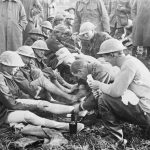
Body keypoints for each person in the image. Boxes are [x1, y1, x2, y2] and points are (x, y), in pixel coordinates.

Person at [85, 38, 150, 144]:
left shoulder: (128, 65)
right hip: (146, 108)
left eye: (105, 56)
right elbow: (119, 87)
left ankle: (115, 138)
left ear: (112, 54)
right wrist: (104, 88)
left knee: (104, 99)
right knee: (105, 95)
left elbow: (116, 92)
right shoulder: (130, 61)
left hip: (147, 112)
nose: (105, 60)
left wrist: (99, 85)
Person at [0, 50, 84, 132]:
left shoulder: (8, 75)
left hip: (10, 105)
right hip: (3, 113)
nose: (17, 69)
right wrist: (34, 106)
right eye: (14, 66)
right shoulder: (1, 79)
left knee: (43, 104)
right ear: (4, 65)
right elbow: (12, 104)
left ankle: (76, 109)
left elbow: (18, 94)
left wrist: (35, 103)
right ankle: (66, 127)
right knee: (29, 116)